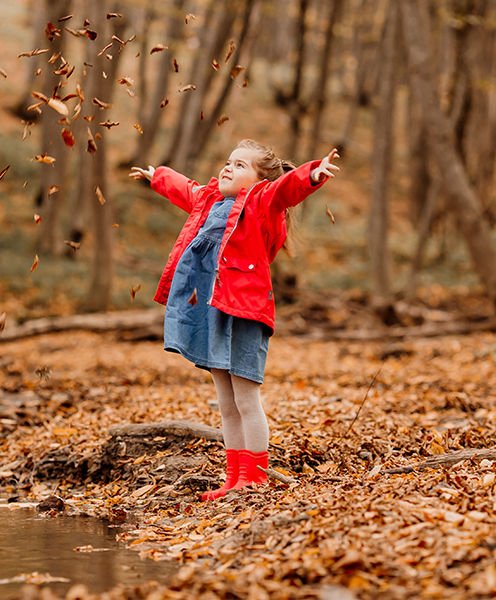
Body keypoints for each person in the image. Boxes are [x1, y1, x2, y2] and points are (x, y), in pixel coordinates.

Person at [130, 140, 340, 500]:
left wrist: (313, 174)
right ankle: (233, 479)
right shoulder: (209, 200)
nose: (228, 167)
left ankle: (255, 478)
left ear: (259, 180)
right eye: (229, 161)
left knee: (246, 399)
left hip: (244, 312)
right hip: (212, 311)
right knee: (226, 404)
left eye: (240, 165)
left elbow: (285, 190)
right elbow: (186, 189)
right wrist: (157, 177)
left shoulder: (260, 203)